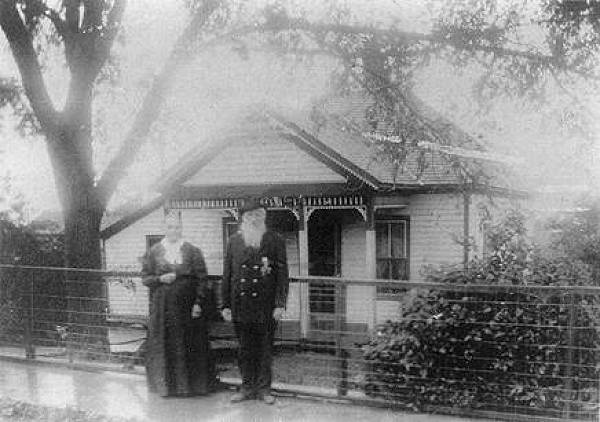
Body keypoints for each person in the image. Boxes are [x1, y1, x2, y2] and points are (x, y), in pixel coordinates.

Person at [141, 210, 217, 397]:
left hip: (187, 309)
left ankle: (190, 387)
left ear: (181, 228)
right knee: (166, 346)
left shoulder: (192, 251)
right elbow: (145, 278)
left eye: (177, 227)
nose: (173, 230)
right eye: (170, 227)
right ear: (164, 228)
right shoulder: (154, 251)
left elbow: (202, 279)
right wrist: (160, 278)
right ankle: (167, 387)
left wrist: (198, 303)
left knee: (188, 344)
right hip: (163, 310)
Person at [221, 199, 289, 405]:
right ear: (243, 218)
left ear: (264, 216)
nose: (254, 219)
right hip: (240, 305)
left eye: (259, 214)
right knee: (244, 349)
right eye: (250, 215)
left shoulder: (274, 239)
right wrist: (225, 305)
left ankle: (263, 389)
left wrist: (280, 303)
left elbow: (282, 275)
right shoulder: (234, 241)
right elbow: (228, 275)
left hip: (265, 306)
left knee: (265, 349)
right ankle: (246, 387)